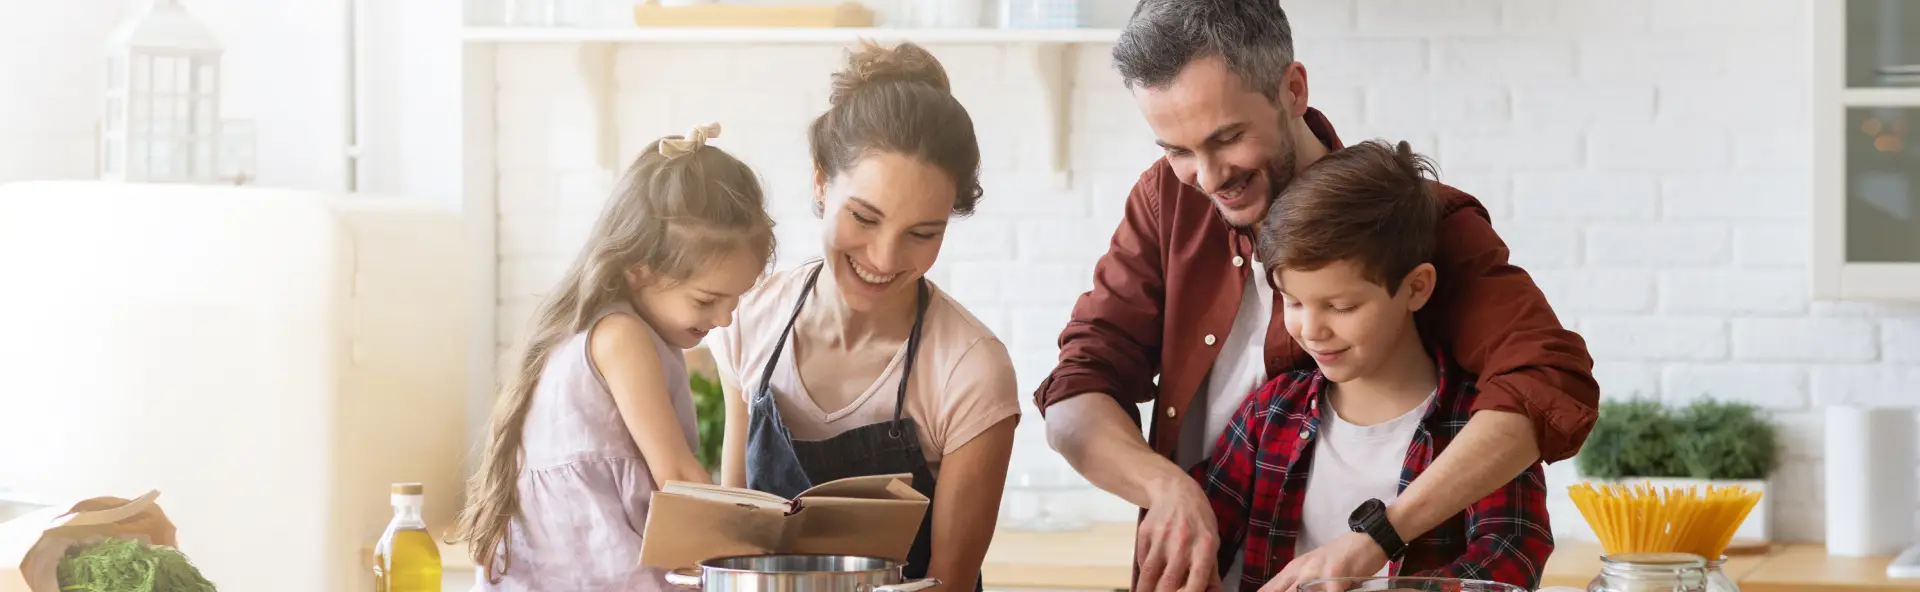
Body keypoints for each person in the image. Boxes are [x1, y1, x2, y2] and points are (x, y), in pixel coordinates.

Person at [1032, 2, 1599, 590]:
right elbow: (1079, 389)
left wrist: (1377, 538)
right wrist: (1165, 487)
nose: (1205, 177)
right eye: (1175, 150)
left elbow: (1544, 379)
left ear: (1293, 89)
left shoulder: (1413, 223)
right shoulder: (1167, 201)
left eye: (1227, 137)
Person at [708, 40, 1020, 592]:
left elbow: (949, 583)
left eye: (923, 234)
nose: (884, 259)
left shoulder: (969, 370)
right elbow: (734, 551)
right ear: (822, 181)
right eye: (864, 217)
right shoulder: (749, 320)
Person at [1193, 140, 1553, 592]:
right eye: (1294, 300)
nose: (1312, 329)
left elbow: (1510, 561)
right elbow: (1199, 536)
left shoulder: (1481, 430)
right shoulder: (1268, 416)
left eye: (1341, 306)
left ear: (1416, 288)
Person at [450, 124, 778, 591]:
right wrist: (763, 543)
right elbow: (679, 477)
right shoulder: (622, 337)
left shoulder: (606, 330)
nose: (726, 318)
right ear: (638, 269)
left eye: (736, 299)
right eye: (707, 300)